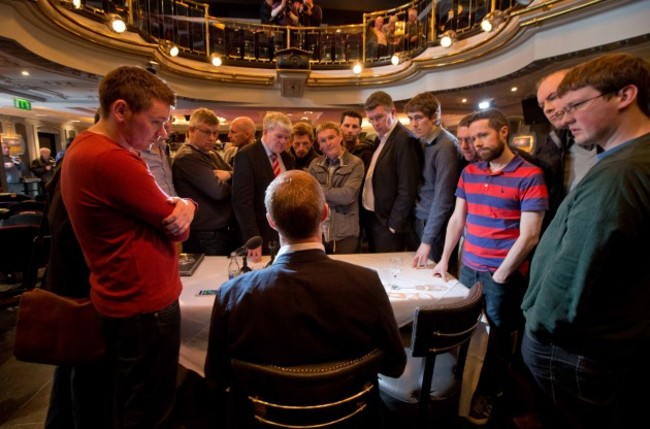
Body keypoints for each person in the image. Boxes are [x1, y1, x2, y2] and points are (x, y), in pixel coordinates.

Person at [204, 169, 406, 427]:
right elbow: (394, 366)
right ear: (324, 213)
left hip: (266, 420)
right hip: (349, 418)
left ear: (271, 222)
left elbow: (216, 379)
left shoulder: (233, 293)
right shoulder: (366, 283)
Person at [60, 65, 196, 429]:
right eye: (156, 122)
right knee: (149, 408)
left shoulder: (85, 146)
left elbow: (167, 210)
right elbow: (177, 228)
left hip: (121, 298)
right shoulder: (112, 160)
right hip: (143, 306)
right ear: (121, 110)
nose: (163, 133)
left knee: (126, 400)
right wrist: (187, 205)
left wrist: (184, 204)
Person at [521, 53, 650, 429]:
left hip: (575, 347)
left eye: (576, 104)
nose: (566, 115)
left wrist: (537, 324)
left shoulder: (620, 174)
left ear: (624, 95)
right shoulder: (626, 159)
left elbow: (576, 265)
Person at [432, 108, 548, 426]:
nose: (476, 143)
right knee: (468, 328)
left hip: (503, 273)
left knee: (497, 338)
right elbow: (458, 219)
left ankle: (488, 392)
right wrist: (444, 259)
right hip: (469, 266)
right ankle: (466, 378)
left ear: (504, 132)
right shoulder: (471, 172)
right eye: (472, 138)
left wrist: (501, 272)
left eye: (483, 135)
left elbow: (530, 234)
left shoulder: (530, 175)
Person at [533, 68, 599, 229]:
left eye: (553, 97)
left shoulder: (616, 141)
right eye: (542, 105)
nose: (547, 109)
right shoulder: (551, 144)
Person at [404, 92, 461, 268]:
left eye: (419, 118)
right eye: (411, 118)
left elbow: (443, 199)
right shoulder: (423, 141)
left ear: (435, 116)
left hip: (433, 224)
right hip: (420, 218)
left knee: (432, 276)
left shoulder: (446, 146)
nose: (414, 124)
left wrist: (427, 240)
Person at [361, 90, 422, 253]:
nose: (375, 123)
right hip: (374, 218)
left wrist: (393, 226)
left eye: (379, 117)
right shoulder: (379, 138)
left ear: (393, 112)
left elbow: (407, 189)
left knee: (388, 274)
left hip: (388, 224)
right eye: (371, 119)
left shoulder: (405, 139)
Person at [232, 111, 295, 262]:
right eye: (279, 136)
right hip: (260, 234)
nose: (283, 141)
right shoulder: (246, 155)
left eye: (286, 137)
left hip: (285, 234)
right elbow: (242, 201)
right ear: (265, 132)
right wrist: (253, 238)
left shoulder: (287, 158)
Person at [173, 108, 237, 256]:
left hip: (218, 231)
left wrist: (228, 174)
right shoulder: (187, 157)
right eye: (207, 132)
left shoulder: (212, 153)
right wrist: (232, 180)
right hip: (204, 235)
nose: (212, 138)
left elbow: (235, 175)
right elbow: (218, 192)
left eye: (215, 133)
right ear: (191, 130)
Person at [308, 121, 364, 254]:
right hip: (318, 233)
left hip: (345, 233)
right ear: (319, 145)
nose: (328, 143)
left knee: (344, 273)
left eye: (331, 137)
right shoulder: (314, 165)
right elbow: (309, 196)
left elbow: (347, 196)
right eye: (323, 140)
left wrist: (319, 189)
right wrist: (333, 194)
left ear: (340, 137)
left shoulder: (355, 163)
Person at [140, 120, 177, 198]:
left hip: (174, 207)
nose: (167, 124)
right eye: (158, 120)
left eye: (169, 119)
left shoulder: (165, 148)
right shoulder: (137, 151)